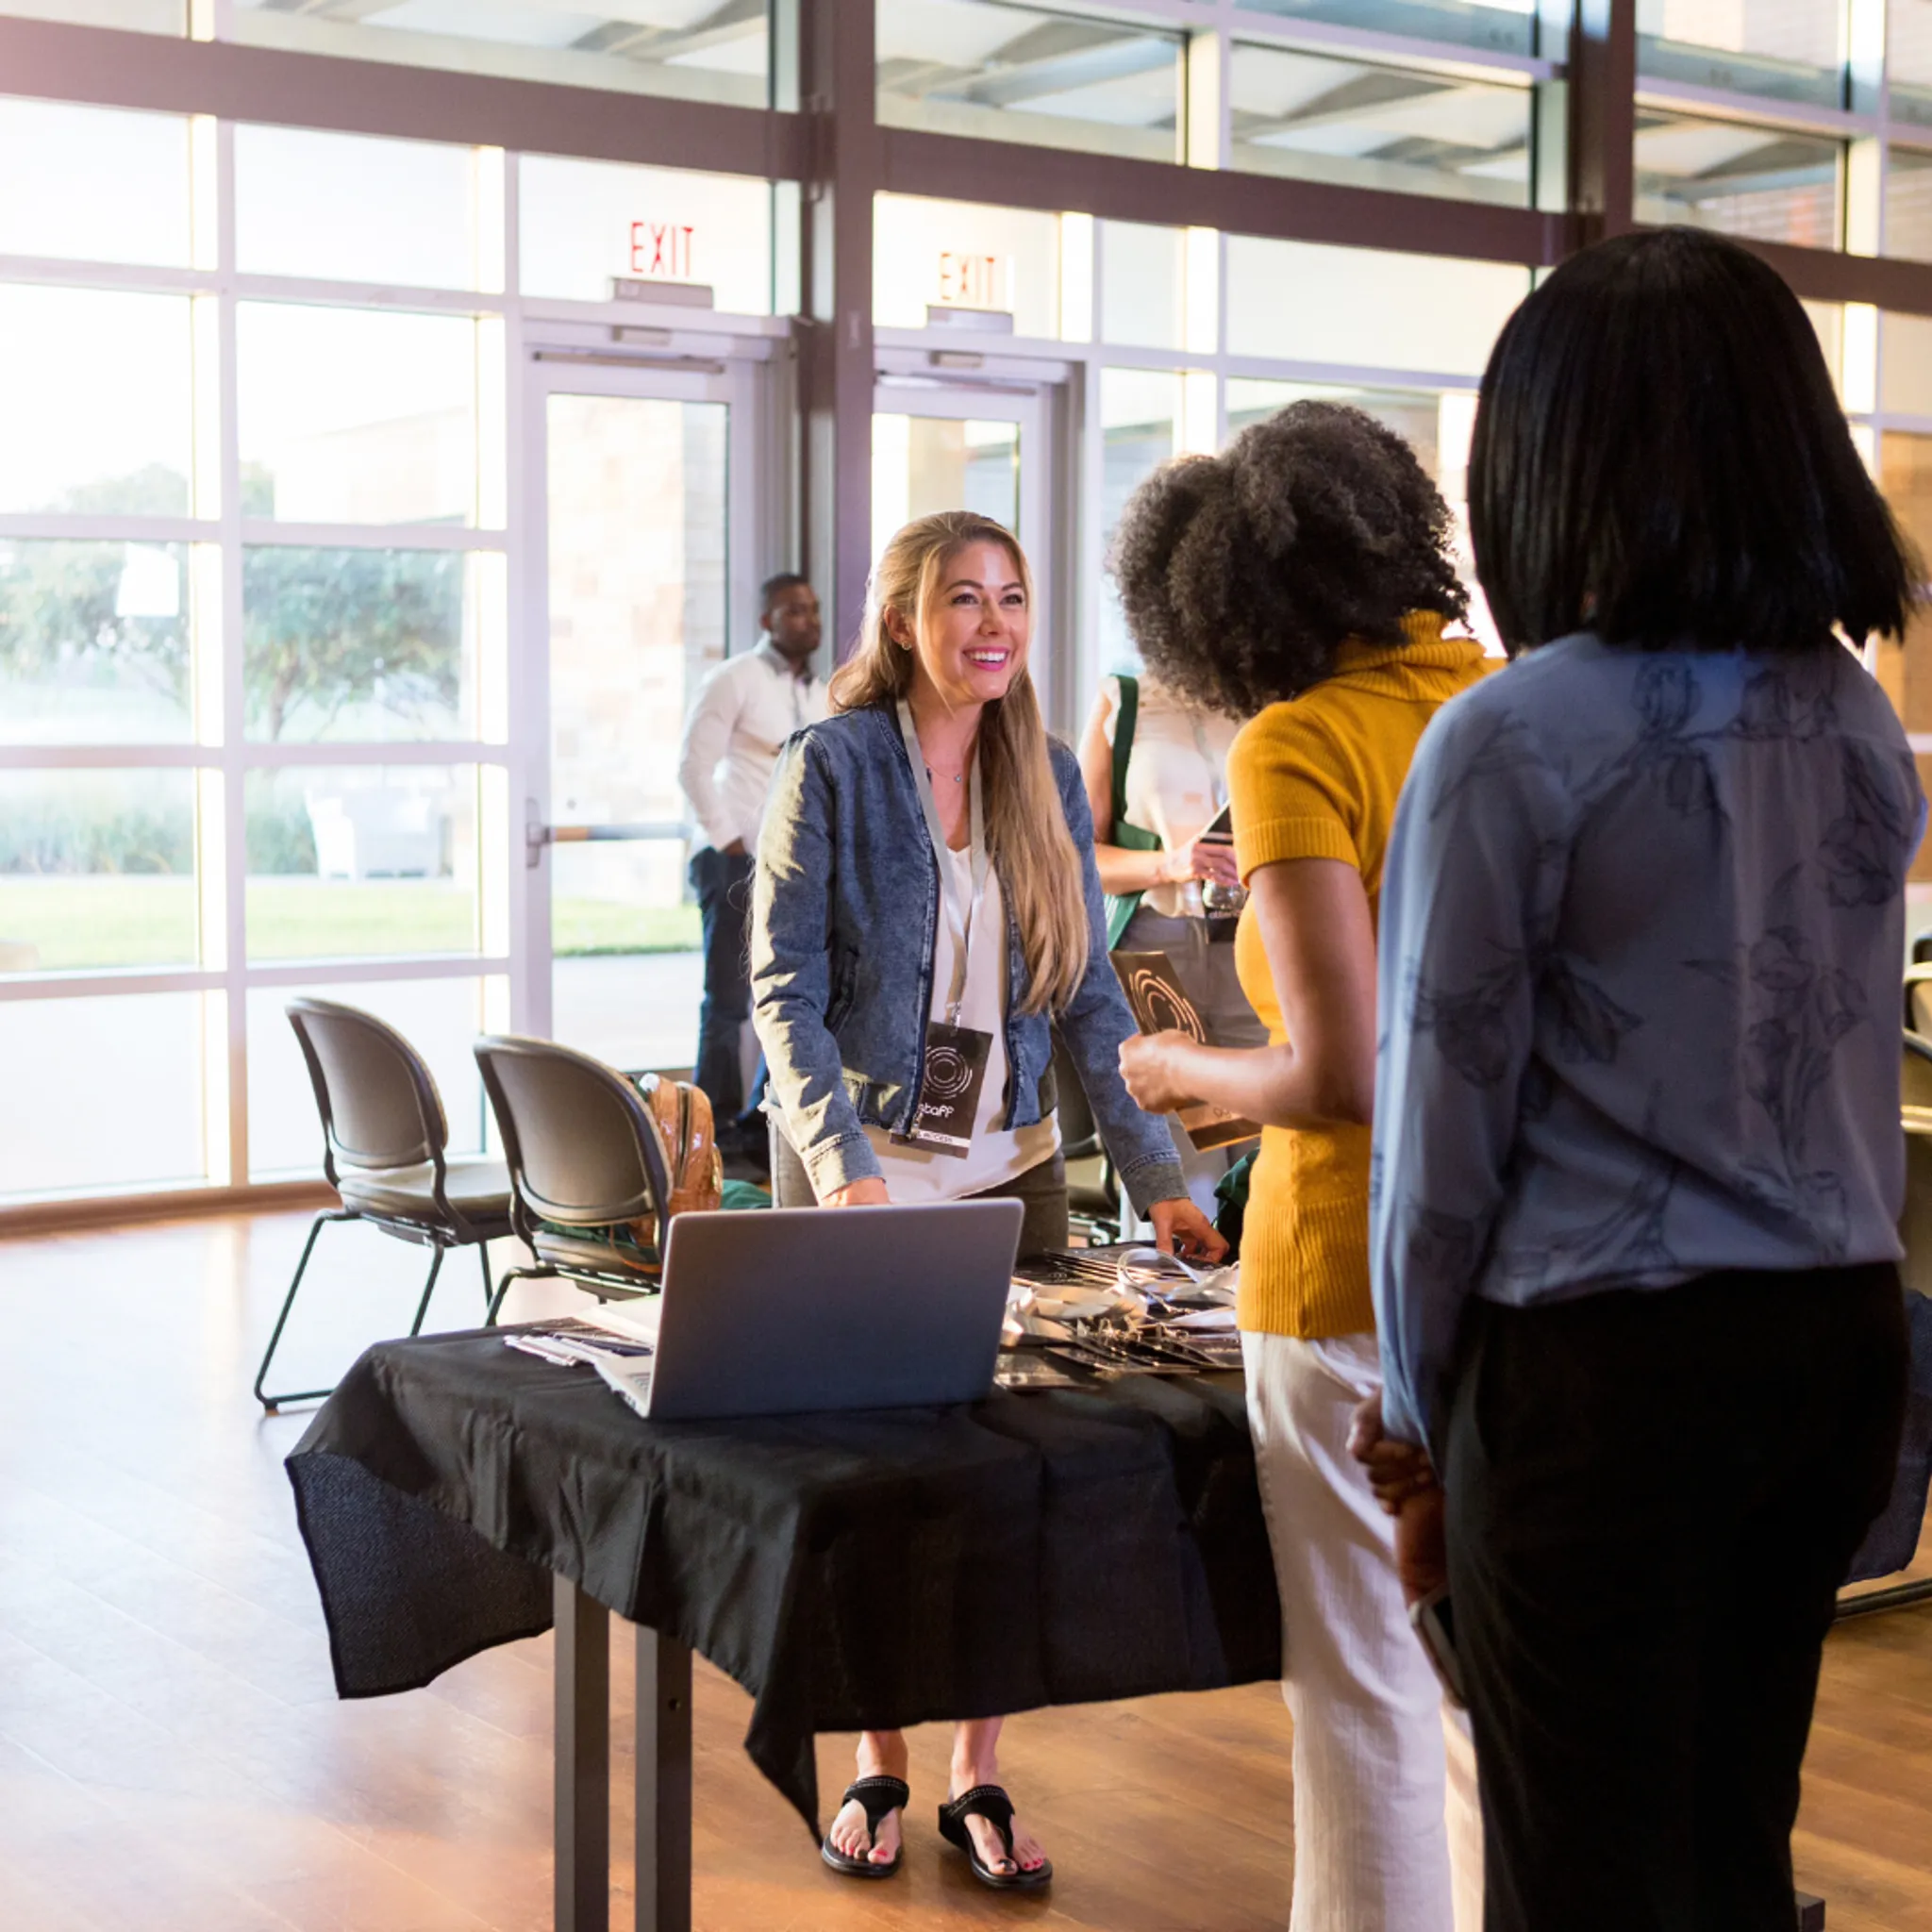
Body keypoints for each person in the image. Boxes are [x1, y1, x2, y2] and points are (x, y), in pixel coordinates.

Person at [1362, 225, 1922, 1932]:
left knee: (1577, 1876)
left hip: (1595, 1368)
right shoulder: (1847, 715)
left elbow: (1437, 1136)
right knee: (1726, 1851)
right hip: (1828, 1340)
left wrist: (1409, 1421)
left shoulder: (1508, 735)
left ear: (1546, 460)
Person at [752, 508, 1225, 1890]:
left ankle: (980, 1772)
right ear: (905, 619)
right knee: (877, 1482)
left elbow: (1084, 997)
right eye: (964, 597)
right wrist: (841, 1171)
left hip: (1008, 1170)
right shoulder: (829, 766)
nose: (994, 623)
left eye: (1012, 597)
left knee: (1003, 1481)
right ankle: (875, 1757)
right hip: (862, 1171)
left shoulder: (1043, 777)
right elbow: (781, 989)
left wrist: (1164, 1180)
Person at [1112, 403, 1487, 1932]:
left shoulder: (1298, 741)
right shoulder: (1496, 702)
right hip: (1506, 1263)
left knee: (1360, 1698)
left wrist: (1177, 1070)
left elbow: (1335, 1072)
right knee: (1476, 1697)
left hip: (1336, 1267)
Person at [1078, 669, 1268, 1217]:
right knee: (1183, 1172)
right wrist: (1171, 863)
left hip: (1253, 947)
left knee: (1266, 1156)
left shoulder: (1275, 696)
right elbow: (1083, 854)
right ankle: (1166, 1298)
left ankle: (1254, 1299)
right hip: (1155, 949)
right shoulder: (1126, 701)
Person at [676, 574, 827, 1164]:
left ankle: (762, 1126)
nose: (807, 620)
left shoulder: (822, 693)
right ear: (766, 620)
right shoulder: (734, 679)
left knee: (789, 997)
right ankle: (705, 1140)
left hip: (795, 868)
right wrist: (729, 840)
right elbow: (692, 765)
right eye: (793, 610)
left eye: (812, 610)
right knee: (729, 1002)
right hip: (732, 861)